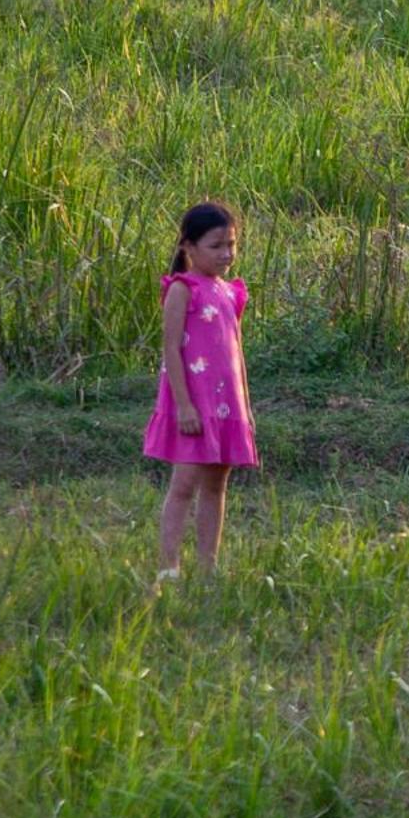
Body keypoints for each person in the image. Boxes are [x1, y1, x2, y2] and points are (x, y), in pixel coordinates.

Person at [143, 200, 256, 581]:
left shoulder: (230, 293)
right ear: (188, 247)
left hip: (227, 406)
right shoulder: (182, 289)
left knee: (216, 486)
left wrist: (247, 409)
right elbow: (171, 348)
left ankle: (208, 566)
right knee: (184, 486)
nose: (226, 254)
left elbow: (235, 352)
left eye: (232, 244)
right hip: (194, 404)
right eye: (216, 245)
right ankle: (168, 567)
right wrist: (184, 406)